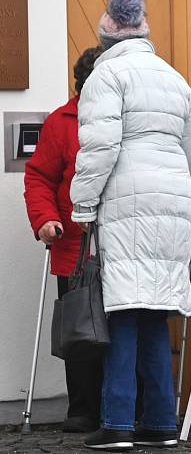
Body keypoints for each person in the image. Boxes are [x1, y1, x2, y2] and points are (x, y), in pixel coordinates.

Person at [70, 0, 191, 450]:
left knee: (122, 312)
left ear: (107, 32)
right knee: (154, 313)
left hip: (126, 205)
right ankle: (162, 422)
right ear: (144, 30)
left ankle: (118, 422)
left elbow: (100, 149)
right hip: (172, 204)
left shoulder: (105, 76)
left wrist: (83, 206)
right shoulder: (175, 78)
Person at [23, 46, 103, 434]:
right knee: (80, 329)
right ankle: (83, 408)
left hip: (121, 242)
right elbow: (39, 177)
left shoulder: (127, 116)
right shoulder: (62, 121)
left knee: (121, 327)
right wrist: (46, 219)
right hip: (73, 244)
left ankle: (125, 406)